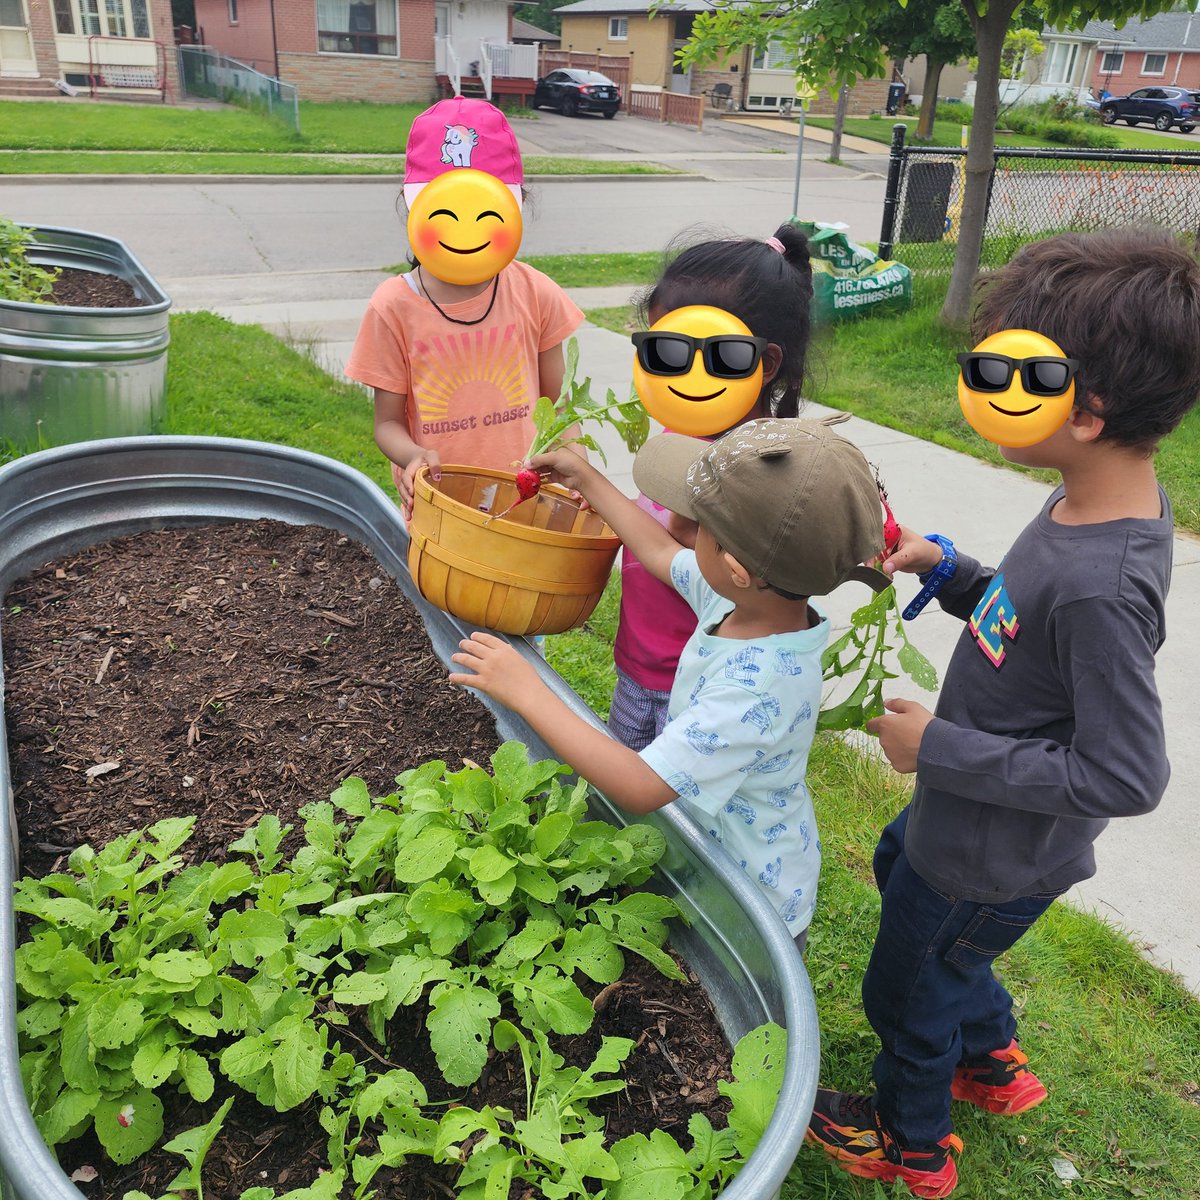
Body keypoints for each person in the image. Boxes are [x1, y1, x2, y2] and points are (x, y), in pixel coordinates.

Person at [805, 227, 1200, 1198]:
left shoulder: (1104, 583)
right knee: (900, 871)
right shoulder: (1086, 502)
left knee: (908, 989)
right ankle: (991, 1062)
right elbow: (1026, 624)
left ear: (1088, 411)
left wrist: (936, 746)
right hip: (965, 832)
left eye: (1005, 373)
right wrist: (953, 572)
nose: (979, 389)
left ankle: (910, 1143)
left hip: (989, 855)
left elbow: (1124, 775)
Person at [448, 416, 886, 946]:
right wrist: (586, 479)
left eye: (699, 523)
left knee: (728, 985)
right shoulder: (748, 601)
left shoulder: (757, 688)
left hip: (750, 907)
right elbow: (657, 551)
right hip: (713, 858)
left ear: (735, 567)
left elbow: (639, 785)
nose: (678, 522)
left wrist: (527, 691)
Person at [610, 224, 815, 751]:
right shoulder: (679, 430)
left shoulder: (765, 463)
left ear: (765, 363)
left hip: (705, 688)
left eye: (715, 356)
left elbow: (730, 571)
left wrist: (686, 523)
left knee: (670, 801)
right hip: (639, 667)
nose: (684, 376)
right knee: (619, 798)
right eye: (664, 353)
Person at [344, 97, 583, 517]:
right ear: (415, 208)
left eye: (482, 210)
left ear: (514, 208)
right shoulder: (393, 307)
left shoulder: (536, 292)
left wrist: (579, 468)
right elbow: (388, 423)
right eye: (449, 212)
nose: (465, 228)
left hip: (528, 505)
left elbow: (559, 404)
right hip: (442, 511)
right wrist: (413, 455)